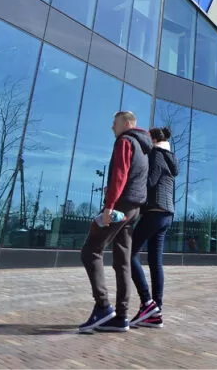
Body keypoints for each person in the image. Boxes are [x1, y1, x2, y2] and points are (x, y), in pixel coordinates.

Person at [78, 112, 152, 333]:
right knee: (122, 260)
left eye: (115, 123)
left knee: (91, 251)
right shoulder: (144, 149)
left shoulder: (126, 141)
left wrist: (109, 206)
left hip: (119, 206)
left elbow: (120, 173)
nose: (112, 127)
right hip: (134, 208)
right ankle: (121, 316)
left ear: (127, 124)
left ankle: (102, 307)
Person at [129, 127, 178, 329]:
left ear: (154, 139)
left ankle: (148, 303)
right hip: (167, 214)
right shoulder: (170, 157)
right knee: (155, 262)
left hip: (155, 212)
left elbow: (149, 182)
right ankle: (156, 310)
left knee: (128, 254)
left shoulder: (156, 155)